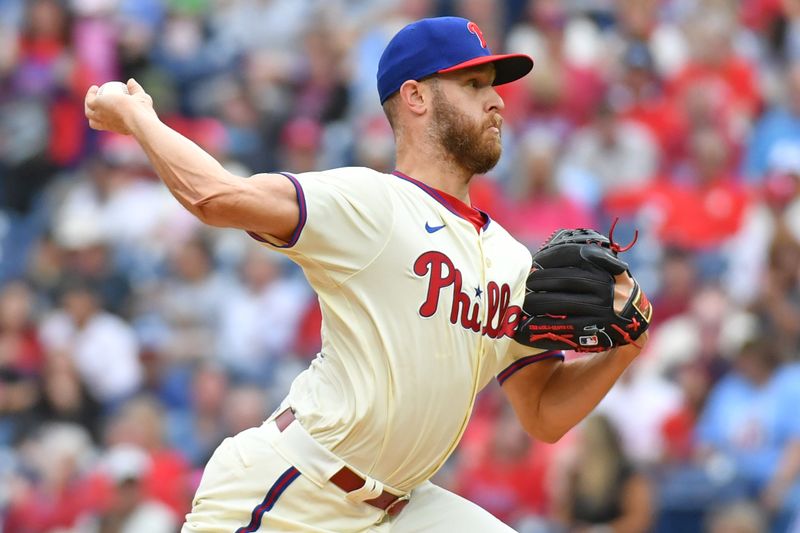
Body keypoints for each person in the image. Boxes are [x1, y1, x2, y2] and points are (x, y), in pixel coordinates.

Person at [85, 16, 649, 533]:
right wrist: (139, 118)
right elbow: (215, 196)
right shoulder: (372, 203)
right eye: (474, 85)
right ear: (416, 97)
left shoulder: (512, 261)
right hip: (292, 490)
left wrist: (622, 350)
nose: (497, 101)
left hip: (402, 507)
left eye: (495, 86)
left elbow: (544, 415)